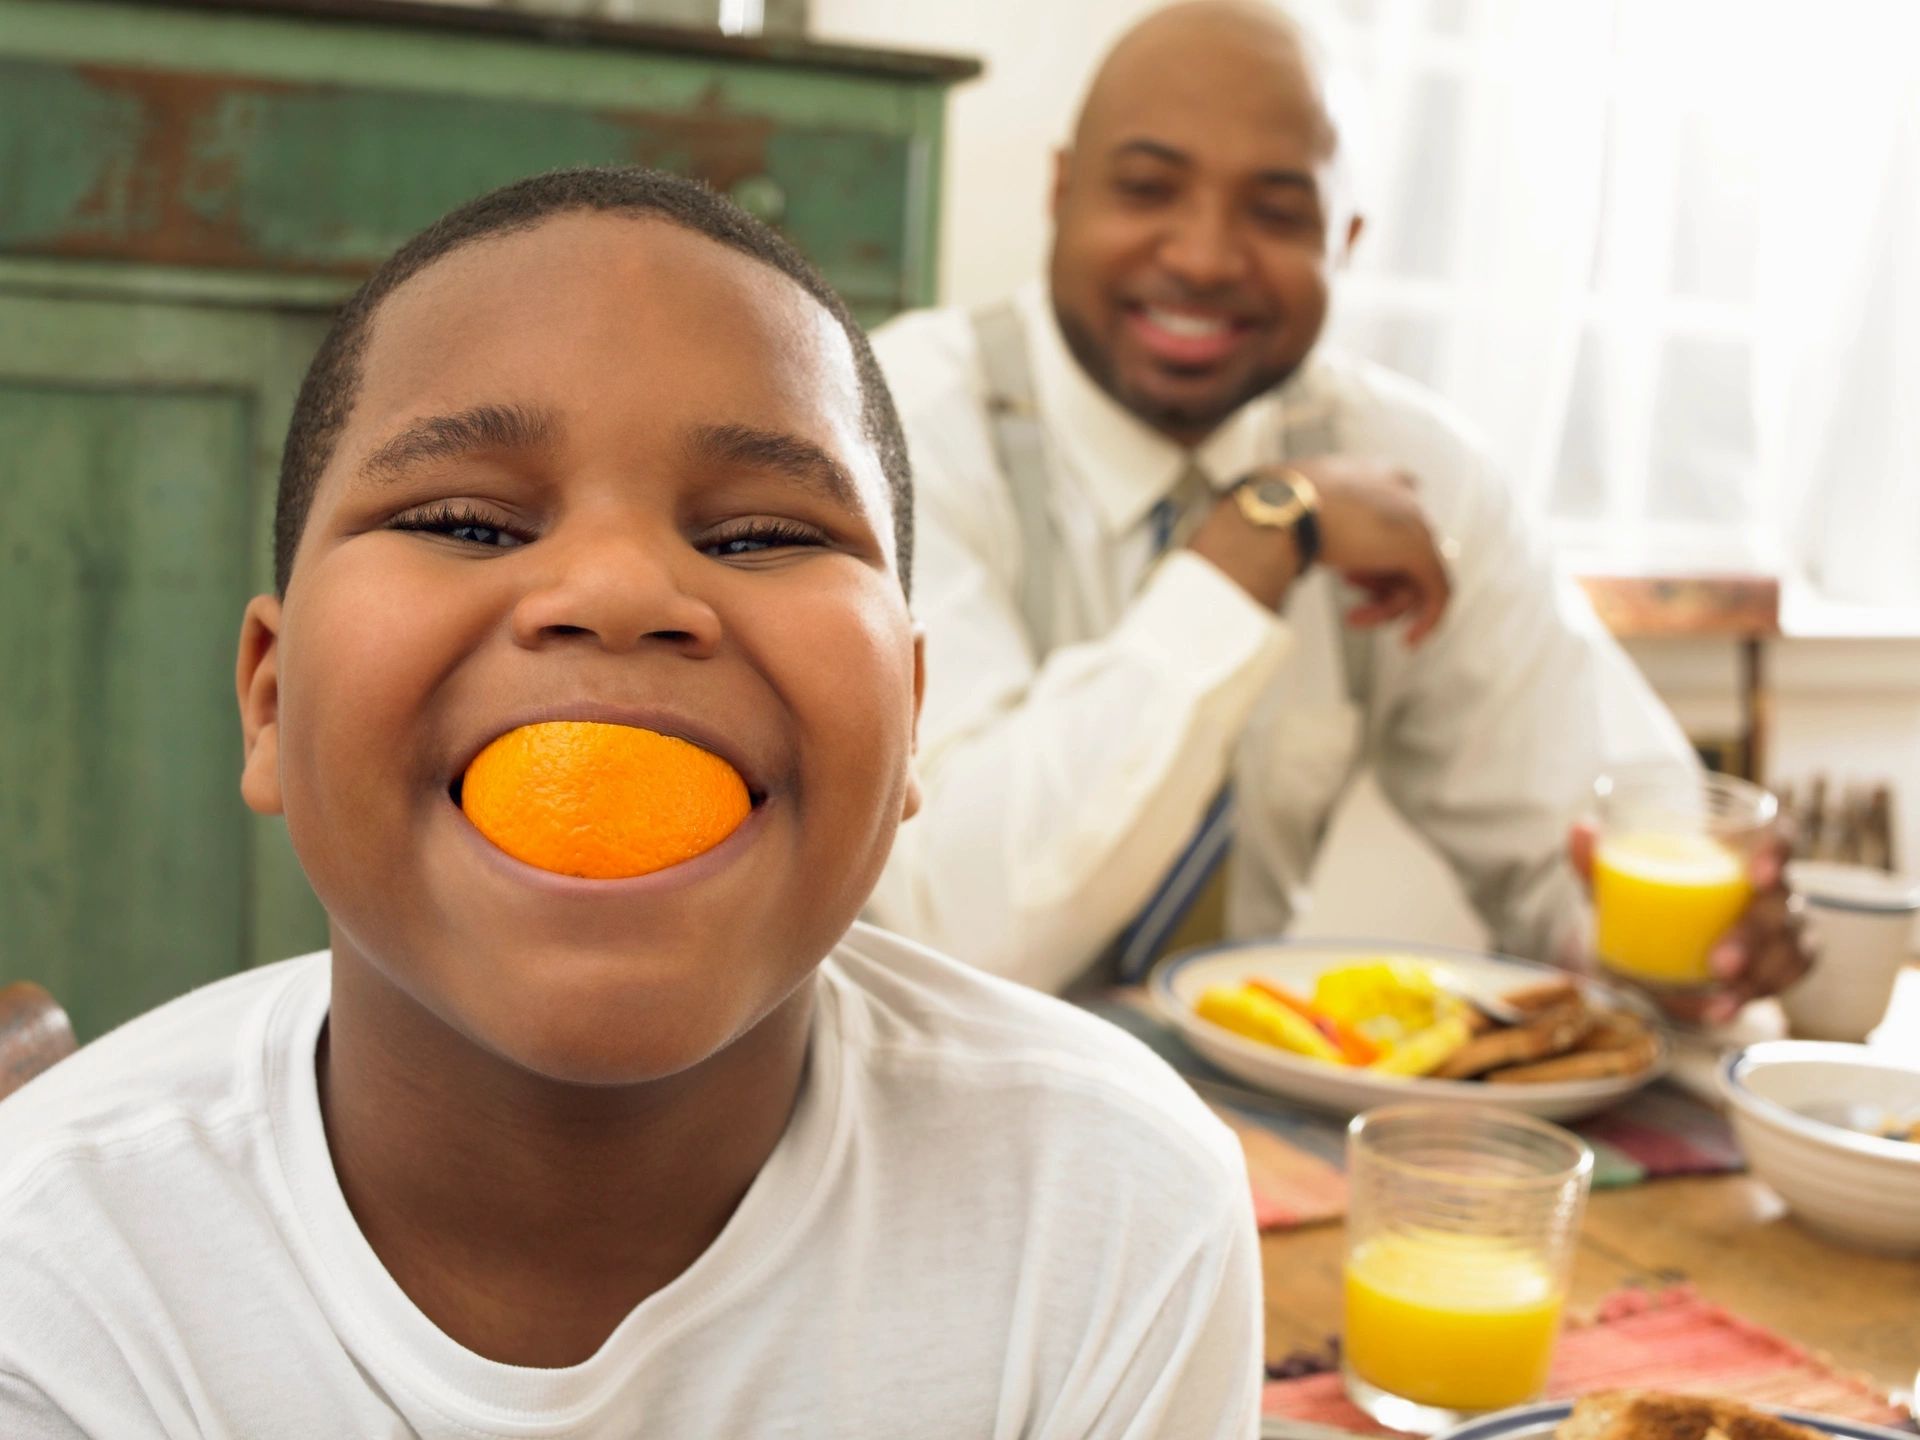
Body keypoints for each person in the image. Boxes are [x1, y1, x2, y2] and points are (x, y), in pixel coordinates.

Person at [0, 168, 1261, 1438]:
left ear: (911, 720)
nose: (615, 587)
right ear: (272, 703)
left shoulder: (1112, 1211)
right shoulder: (52, 1279)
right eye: (466, 523)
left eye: (764, 534)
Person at [864, 0, 1809, 1023]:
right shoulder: (892, 427)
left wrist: (1693, 950)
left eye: (1276, 213)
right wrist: (1255, 542)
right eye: (1147, 190)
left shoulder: (1415, 470)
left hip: (1252, 1116)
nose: (1205, 256)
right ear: (1059, 191)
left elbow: (1587, 838)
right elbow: (959, 927)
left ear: (1345, 240)